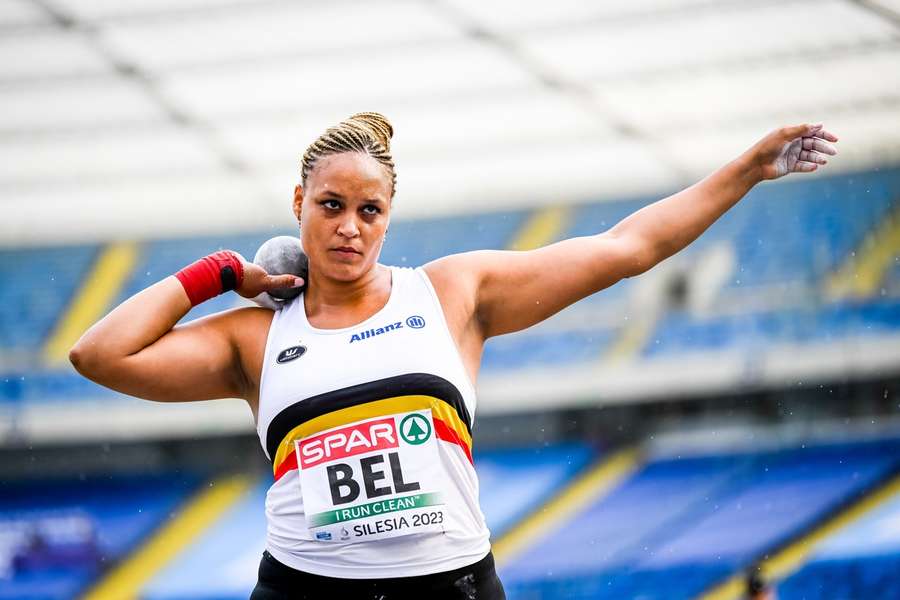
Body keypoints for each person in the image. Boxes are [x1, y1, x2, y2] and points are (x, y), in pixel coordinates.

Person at [69, 112, 837, 599]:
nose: (349, 228)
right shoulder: (254, 338)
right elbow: (98, 355)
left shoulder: (450, 295)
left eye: (370, 211)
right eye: (331, 206)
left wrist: (745, 170)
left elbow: (625, 249)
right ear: (298, 204)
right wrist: (218, 276)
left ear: (389, 217)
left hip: (454, 589)